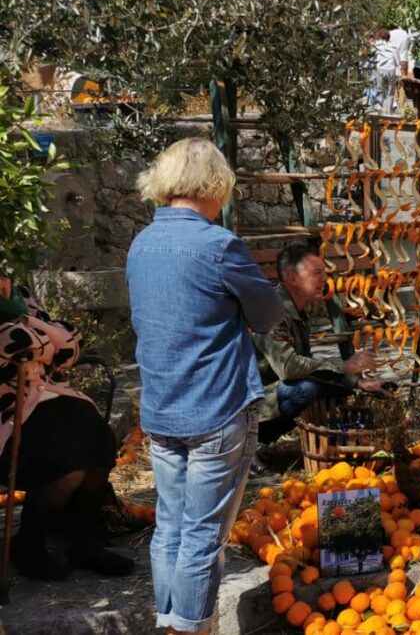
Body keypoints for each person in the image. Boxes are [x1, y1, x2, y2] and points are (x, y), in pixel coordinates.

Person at [127, 137, 284, 635]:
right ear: (216, 184)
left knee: (169, 528)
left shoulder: (141, 244)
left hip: (162, 411)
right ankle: (189, 630)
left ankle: (172, 625)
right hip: (216, 411)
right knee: (201, 538)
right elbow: (268, 315)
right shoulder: (219, 246)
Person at [0, 274, 132, 580]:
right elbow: (26, 345)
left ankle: (85, 541)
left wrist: (33, 333)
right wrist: (40, 336)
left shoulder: (20, 296)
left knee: (98, 440)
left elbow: (68, 346)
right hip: (8, 413)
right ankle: (29, 544)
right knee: (64, 461)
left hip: (44, 397)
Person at [250, 244, 385, 464]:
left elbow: (309, 366)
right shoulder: (273, 310)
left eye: (325, 272)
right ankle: (253, 441)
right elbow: (289, 368)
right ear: (292, 278)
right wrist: (343, 366)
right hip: (251, 401)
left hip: (273, 392)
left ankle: (265, 441)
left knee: (334, 386)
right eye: (316, 273)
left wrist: (354, 382)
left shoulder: (299, 310)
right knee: (305, 390)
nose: (325, 279)